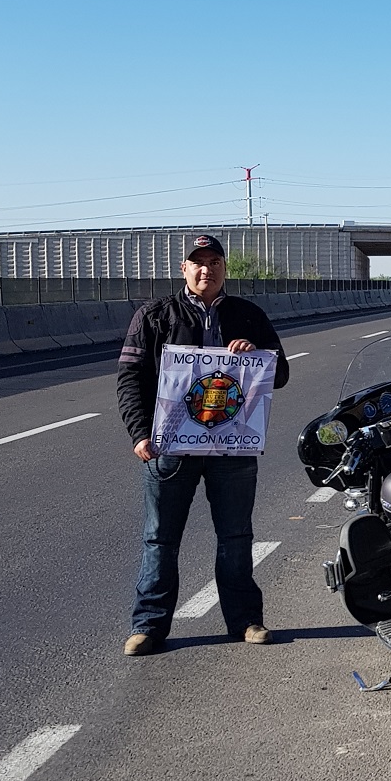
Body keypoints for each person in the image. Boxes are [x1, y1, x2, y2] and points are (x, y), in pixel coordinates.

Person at [117, 234, 291, 655]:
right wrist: (141, 433)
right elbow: (129, 379)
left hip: (232, 448)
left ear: (224, 269)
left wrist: (255, 355)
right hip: (171, 448)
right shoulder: (154, 316)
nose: (205, 270)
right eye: (197, 263)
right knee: (160, 539)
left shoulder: (248, 315)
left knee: (235, 536)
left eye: (214, 262)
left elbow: (280, 373)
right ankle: (149, 627)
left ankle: (246, 621)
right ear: (184, 269)